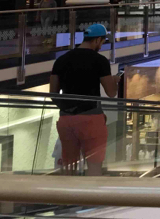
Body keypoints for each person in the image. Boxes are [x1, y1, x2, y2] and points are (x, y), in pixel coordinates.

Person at [49, 24, 119, 176]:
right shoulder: (100, 61)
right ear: (97, 40)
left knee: (69, 166)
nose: (101, 45)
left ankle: (69, 191)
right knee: (94, 167)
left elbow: (53, 93)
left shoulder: (61, 60)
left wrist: (68, 108)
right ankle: (90, 192)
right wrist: (115, 81)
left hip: (66, 119)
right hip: (91, 118)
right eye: (102, 42)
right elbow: (111, 93)